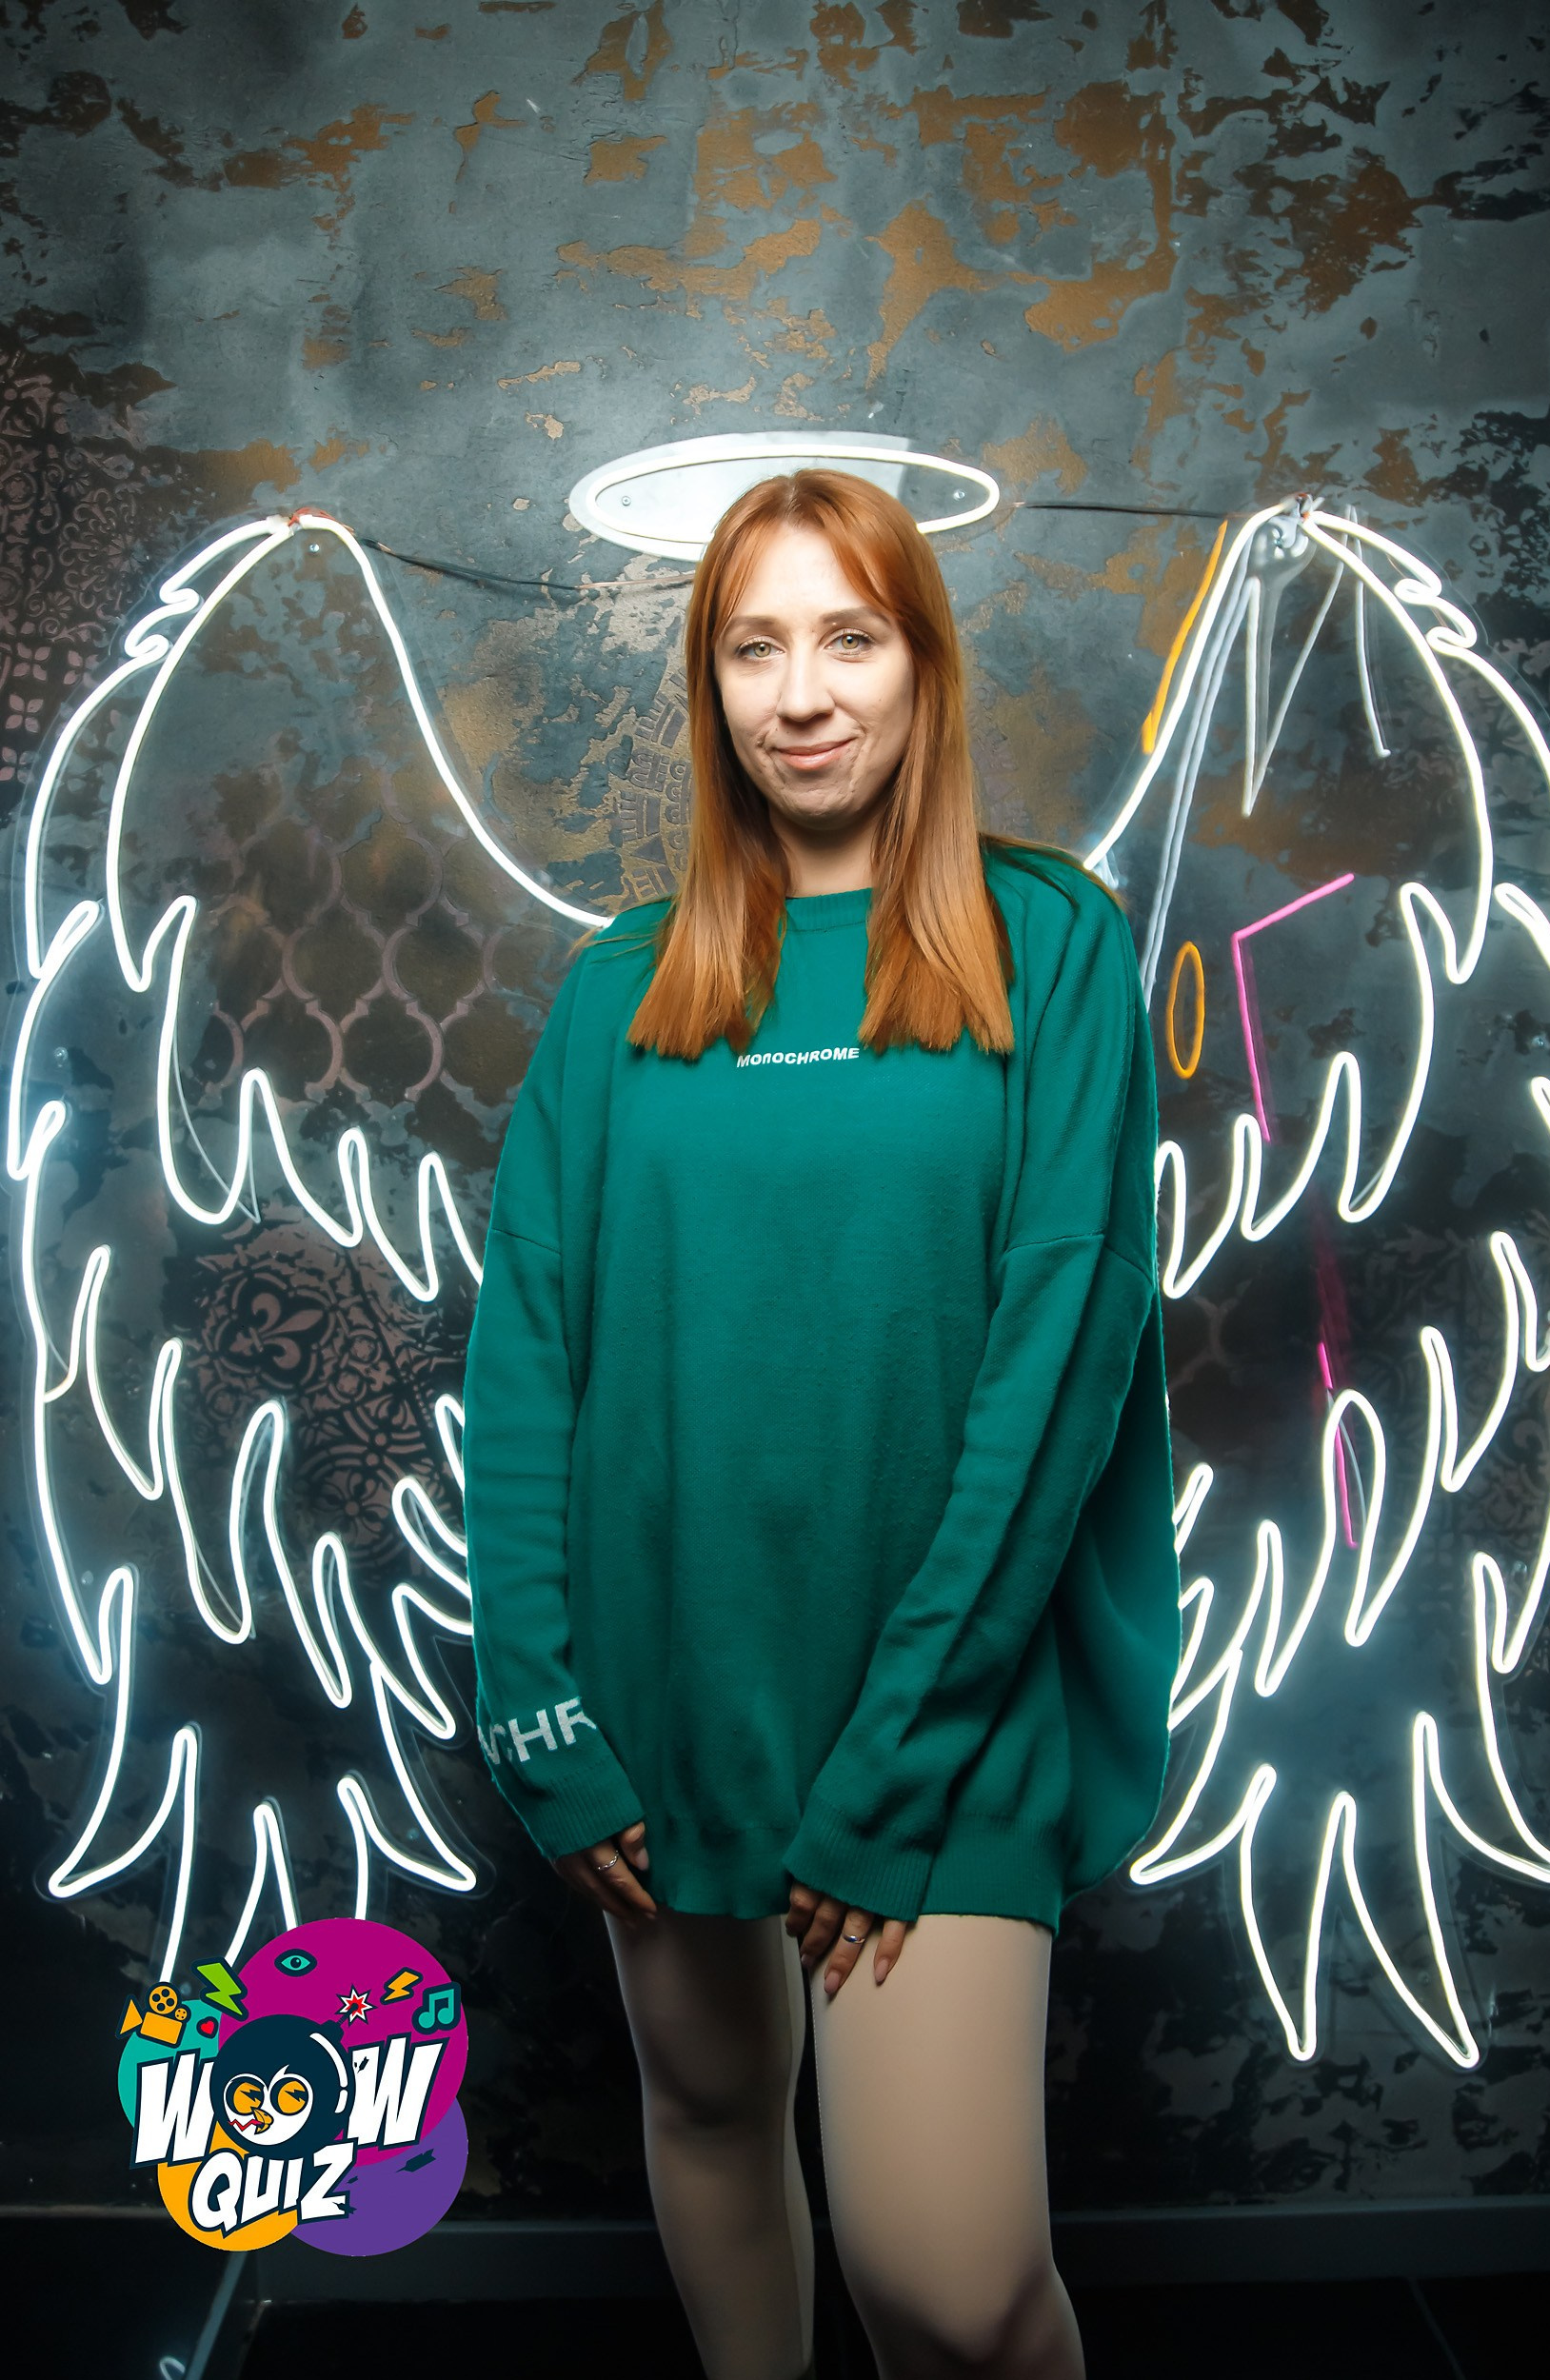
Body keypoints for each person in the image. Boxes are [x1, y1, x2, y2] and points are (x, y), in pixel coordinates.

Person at [463, 467, 1182, 2380]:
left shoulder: (1052, 942)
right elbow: (526, 1355)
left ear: (922, 661)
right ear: (707, 686)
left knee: (950, 2285)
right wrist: (537, 1704)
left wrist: (897, 1758)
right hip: (663, 1685)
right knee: (710, 2120)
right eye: (753, 646)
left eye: (848, 636)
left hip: (941, 1701)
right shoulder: (622, 984)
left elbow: (1063, 1354)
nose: (802, 694)